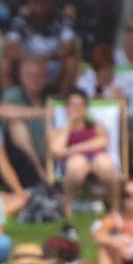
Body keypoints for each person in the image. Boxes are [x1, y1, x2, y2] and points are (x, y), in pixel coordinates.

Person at [48, 87, 119, 219]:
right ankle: (67, 206)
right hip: (72, 164)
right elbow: (57, 150)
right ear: (66, 107)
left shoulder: (96, 126)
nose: (76, 109)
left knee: (104, 162)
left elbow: (103, 141)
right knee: (78, 163)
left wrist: (73, 149)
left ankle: (115, 205)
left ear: (86, 108)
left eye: (80, 105)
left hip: (96, 159)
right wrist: (69, 123)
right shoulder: (58, 130)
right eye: (72, 105)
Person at [0, 0, 78, 94]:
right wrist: (29, 59)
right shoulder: (20, 20)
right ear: (30, 2)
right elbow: (10, 48)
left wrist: (47, 58)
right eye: (36, 0)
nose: (40, 4)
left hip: (52, 64)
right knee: (5, 63)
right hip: (26, 63)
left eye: (44, 0)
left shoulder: (62, 19)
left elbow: (70, 46)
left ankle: (64, 100)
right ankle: (10, 98)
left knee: (71, 61)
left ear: (52, 1)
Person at [0, 57, 51, 189]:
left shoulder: (50, 96)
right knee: (17, 125)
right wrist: (43, 113)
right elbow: (2, 110)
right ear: (21, 77)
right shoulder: (13, 95)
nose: (35, 79)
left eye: (39, 75)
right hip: (19, 159)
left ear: (46, 78)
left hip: (47, 153)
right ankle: (42, 175)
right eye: (30, 75)